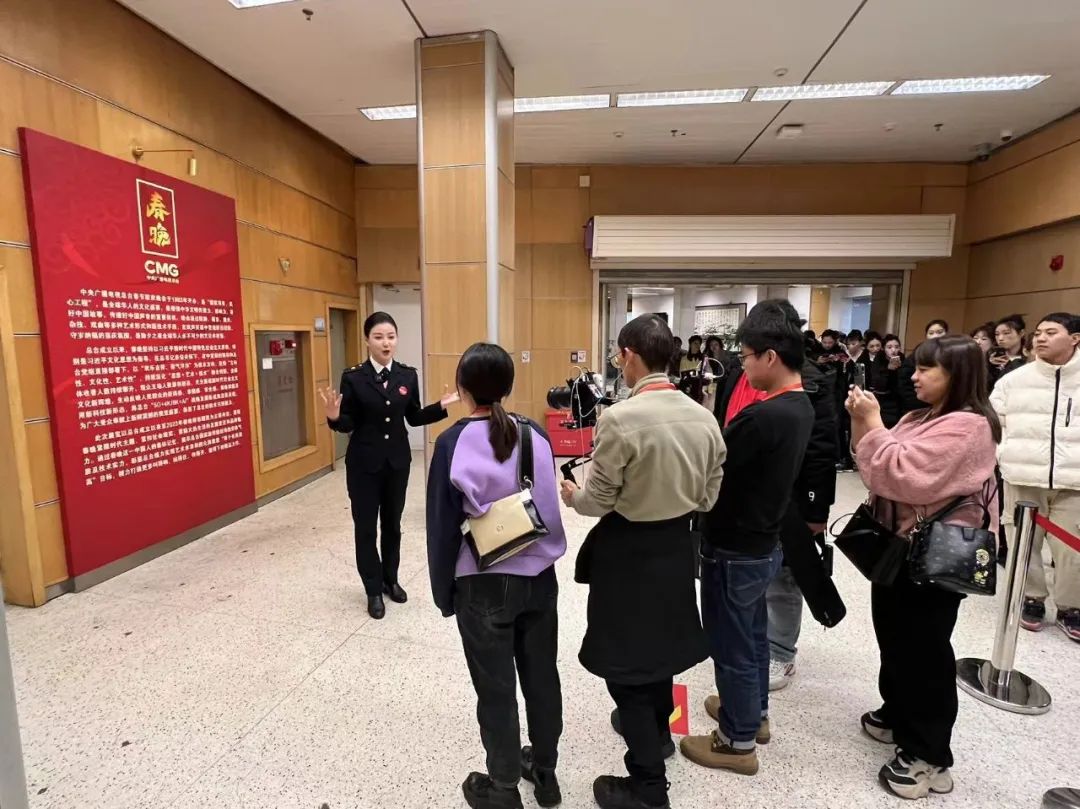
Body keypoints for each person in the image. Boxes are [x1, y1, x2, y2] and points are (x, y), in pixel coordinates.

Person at [560, 314, 726, 809]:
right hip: (676, 548)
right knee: (659, 650)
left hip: (628, 554)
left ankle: (649, 786)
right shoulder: (703, 417)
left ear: (629, 355)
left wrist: (572, 495)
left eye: (619, 354)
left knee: (625, 666)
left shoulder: (619, 419)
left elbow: (598, 500)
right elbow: (710, 496)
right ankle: (658, 734)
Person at [848, 335, 999, 799]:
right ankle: (898, 712)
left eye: (926, 369)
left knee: (925, 651)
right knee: (894, 637)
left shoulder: (970, 427)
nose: (913, 377)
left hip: (935, 556)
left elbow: (902, 475)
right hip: (899, 547)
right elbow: (871, 466)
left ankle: (929, 755)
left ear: (958, 375)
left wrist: (874, 421)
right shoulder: (920, 417)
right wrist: (861, 421)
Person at [427, 343, 567, 809]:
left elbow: (442, 527)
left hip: (483, 583)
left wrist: (443, 592)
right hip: (539, 577)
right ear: (508, 386)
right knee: (542, 677)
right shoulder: (534, 435)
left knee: (495, 688)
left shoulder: (452, 443)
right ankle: (545, 773)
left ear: (462, 387)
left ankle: (503, 787)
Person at [681, 301, 815, 777]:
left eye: (746, 358)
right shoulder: (800, 405)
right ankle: (752, 713)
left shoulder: (762, 418)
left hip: (735, 546)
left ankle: (735, 742)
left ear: (770, 357)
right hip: (763, 541)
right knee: (754, 635)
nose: (743, 367)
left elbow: (712, 469)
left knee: (732, 644)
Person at [710, 301, 840, 694]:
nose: (743, 359)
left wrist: (816, 508)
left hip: (785, 496)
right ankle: (753, 683)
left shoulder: (808, 384)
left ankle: (780, 650)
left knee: (784, 579)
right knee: (750, 600)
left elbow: (821, 450)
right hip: (742, 495)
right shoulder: (739, 371)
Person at [320, 312, 457, 619]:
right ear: (367, 340)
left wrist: (440, 407)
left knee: (393, 525)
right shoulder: (353, 377)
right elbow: (348, 423)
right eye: (379, 337)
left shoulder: (407, 376)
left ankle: (390, 579)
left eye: (391, 337)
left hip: (397, 463)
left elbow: (414, 417)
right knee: (366, 528)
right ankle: (372, 589)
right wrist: (334, 417)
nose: (386, 343)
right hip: (363, 465)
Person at [990, 313, 1080, 642]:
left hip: (1074, 481)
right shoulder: (1014, 380)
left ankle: (1072, 606)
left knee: (1072, 549)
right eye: (1039, 333)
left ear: (1075, 339)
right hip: (1023, 475)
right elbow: (993, 423)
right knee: (1023, 542)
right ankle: (1031, 597)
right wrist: (1005, 454)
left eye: (1051, 333)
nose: (1041, 338)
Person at [837, 330, 873, 471]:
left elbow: (863, 379)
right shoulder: (845, 357)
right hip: (845, 395)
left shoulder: (865, 357)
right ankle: (846, 458)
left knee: (858, 428)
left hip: (862, 396)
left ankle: (857, 460)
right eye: (849, 344)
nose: (851, 346)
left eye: (853, 343)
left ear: (860, 343)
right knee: (844, 427)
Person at [898, 319, 949, 415]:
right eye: (931, 333)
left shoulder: (951, 354)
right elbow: (905, 383)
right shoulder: (918, 354)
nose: (935, 336)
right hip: (918, 406)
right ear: (926, 336)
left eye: (939, 332)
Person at [870, 334, 905, 428]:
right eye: (889, 347)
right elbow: (877, 385)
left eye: (896, 347)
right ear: (883, 348)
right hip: (882, 403)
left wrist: (899, 370)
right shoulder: (879, 360)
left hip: (898, 402)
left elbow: (904, 383)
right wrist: (888, 370)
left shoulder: (902, 358)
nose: (893, 350)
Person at [989, 314, 1027, 389]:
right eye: (997, 334)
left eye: (1006, 333)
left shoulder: (1027, 358)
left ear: (1021, 333)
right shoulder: (991, 356)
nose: (1000, 338)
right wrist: (990, 366)